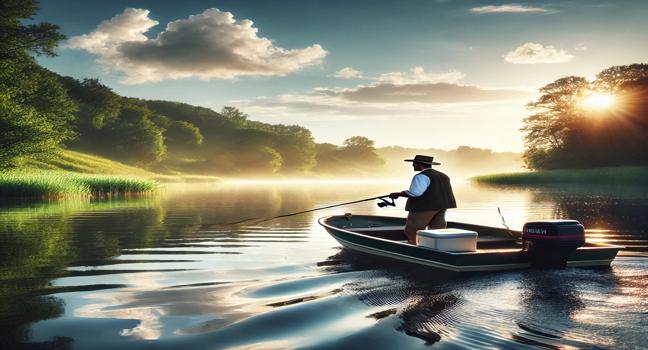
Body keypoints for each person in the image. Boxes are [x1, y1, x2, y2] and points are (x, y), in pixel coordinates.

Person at [389, 155, 457, 244]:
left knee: (412, 230)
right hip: (442, 207)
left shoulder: (420, 176)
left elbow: (415, 193)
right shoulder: (444, 175)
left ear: (419, 164)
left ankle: (415, 247)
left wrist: (398, 194)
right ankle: (435, 248)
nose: (413, 165)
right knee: (437, 230)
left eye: (414, 164)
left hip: (424, 207)